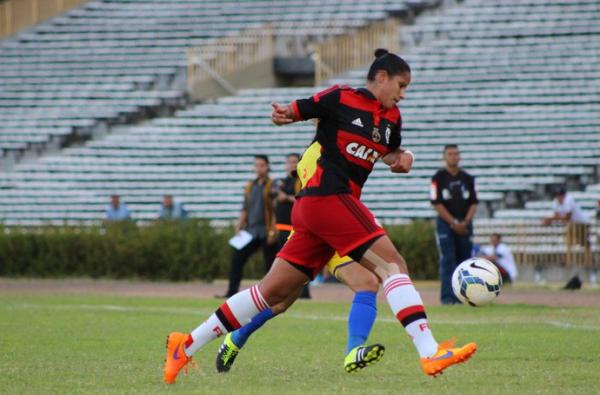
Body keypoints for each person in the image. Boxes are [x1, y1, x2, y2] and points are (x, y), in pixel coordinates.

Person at [164, 49, 476, 384]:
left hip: (320, 210)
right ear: (381, 77)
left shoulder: (392, 118)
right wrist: (283, 114)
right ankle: (430, 352)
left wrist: (405, 158)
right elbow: (297, 109)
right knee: (392, 267)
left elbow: (391, 153)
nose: (403, 93)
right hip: (328, 198)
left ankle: (186, 345)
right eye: (401, 85)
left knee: (270, 294)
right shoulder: (341, 97)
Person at [215, 142, 384, 374]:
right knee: (279, 302)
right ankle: (236, 337)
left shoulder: (343, 142)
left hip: (336, 229)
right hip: (311, 231)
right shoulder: (321, 149)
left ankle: (353, 351)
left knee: (368, 283)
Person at [219, 155, 278, 298]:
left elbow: (276, 207)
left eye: (262, 165)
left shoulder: (273, 185)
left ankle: (269, 295)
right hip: (251, 231)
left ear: (267, 166)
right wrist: (239, 225)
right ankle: (231, 292)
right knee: (237, 259)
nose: (259, 168)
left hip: (266, 230)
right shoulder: (250, 186)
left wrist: (274, 229)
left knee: (270, 264)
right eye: (256, 165)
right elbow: (245, 208)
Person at [431, 144, 478, 304]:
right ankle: (447, 298)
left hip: (465, 222)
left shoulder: (468, 178)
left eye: (456, 154)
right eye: (450, 154)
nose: (454, 157)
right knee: (448, 260)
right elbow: (436, 203)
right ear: (444, 157)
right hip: (446, 223)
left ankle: (464, 297)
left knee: (465, 261)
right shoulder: (437, 178)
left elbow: (473, 202)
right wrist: (453, 223)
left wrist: (465, 222)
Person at [271, 153, 312, 299]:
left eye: (294, 162)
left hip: (294, 228)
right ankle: (286, 291)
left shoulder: (301, 179)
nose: (291, 165)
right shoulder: (283, 181)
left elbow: (305, 200)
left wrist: (286, 198)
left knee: (298, 262)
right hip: (282, 228)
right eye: (289, 162)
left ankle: (303, 293)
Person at [542, 186, 592, 284]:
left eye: (561, 195)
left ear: (564, 195)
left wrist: (550, 220)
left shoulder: (569, 200)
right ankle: (569, 260)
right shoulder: (555, 202)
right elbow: (558, 216)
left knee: (584, 243)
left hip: (582, 222)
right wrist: (551, 219)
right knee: (570, 241)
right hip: (573, 224)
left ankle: (586, 261)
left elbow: (567, 217)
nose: (559, 197)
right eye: (558, 195)